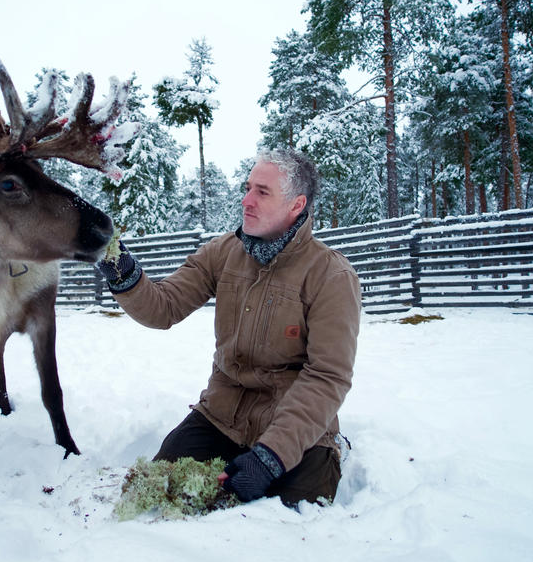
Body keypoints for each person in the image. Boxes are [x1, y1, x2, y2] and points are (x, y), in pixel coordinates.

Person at [95, 149, 361, 506]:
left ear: (296, 205)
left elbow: (327, 376)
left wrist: (270, 457)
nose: (246, 200)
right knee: (162, 489)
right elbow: (163, 308)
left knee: (290, 514)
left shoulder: (330, 276)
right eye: (248, 187)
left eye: (262, 192)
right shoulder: (223, 252)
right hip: (222, 416)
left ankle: (331, 452)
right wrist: (119, 267)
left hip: (296, 428)